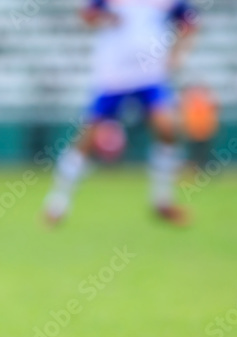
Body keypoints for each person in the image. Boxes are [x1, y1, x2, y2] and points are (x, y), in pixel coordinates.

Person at [43, 0, 198, 227]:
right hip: (113, 75)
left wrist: (177, 54)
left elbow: (189, 22)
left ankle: (162, 200)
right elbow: (87, 15)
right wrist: (107, 19)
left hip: (150, 75)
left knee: (166, 127)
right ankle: (58, 201)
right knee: (87, 137)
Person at [180, 83, 218, 169]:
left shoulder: (205, 102)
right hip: (194, 133)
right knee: (194, 154)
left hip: (203, 133)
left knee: (204, 154)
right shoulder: (190, 103)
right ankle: (196, 169)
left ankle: (203, 169)